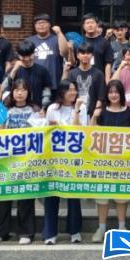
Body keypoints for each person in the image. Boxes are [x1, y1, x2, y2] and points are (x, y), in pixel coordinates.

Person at [90, 80, 130, 242]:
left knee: (121, 196)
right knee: (102, 197)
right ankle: (101, 228)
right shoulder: (101, 113)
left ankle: (122, 228)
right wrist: (94, 117)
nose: (113, 95)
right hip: (103, 163)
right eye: (110, 92)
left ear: (121, 94)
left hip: (124, 163)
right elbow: (91, 134)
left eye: (116, 92)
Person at [0, 79, 37, 245]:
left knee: (25, 195)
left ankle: (26, 232)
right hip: (8, 159)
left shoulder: (35, 110)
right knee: (5, 194)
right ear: (12, 92)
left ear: (28, 92)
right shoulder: (5, 110)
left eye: (23, 90)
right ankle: (0, 231)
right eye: (17, 90)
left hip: (28, 159)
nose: (20, 93)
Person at [43, 80, 87, 244]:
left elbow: (78, 130)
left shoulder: (81, 108)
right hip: (54, 157)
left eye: (74, 89)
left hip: (73, 157)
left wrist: (76, 109)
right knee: (51, 194)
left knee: (73, 194)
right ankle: (50, 233)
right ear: (61, 92)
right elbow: (46, 131)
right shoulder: (52, 109)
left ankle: (75, 231)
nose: (73, 93)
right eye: (69, 90)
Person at [5, 39, 52, 109]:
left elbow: (46, 91)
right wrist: (14, 70)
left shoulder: (42, 70)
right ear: (18, 55)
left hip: (36, 109)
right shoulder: (14, 69)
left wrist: (43, 108)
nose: (27, 59)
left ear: (34, 53)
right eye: (23, 56)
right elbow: (4, 88)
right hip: (16, 109)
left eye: (29, 55)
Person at [28, 14, 69, 90]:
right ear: (35, 26)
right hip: (34, 81)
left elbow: (64, 52)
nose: (41, 25)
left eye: (44, 22)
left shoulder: (57, 39)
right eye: (38, 23)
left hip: (54, 81)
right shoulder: (29, 41)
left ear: (49, 25)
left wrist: (59, 33)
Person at [67, 42, 106, 119]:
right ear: (77, 55)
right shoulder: (72, 73)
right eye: (82, 53)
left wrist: (96, 111)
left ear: (92, 55)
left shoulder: (99, 74)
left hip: (93, 113)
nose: (85, 55)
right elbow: (68, 94)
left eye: (88, 53)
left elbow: (101, 96)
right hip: (75, 112)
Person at [82, 13, 114, 82]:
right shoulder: (80, 41)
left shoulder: (105, 42)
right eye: (87, 23)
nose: (90, 25)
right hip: (82, 79)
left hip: (100, 79)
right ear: (83, 26)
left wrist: (107, 80)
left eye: (92, 23)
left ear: (97, 25)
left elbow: (108, 63)